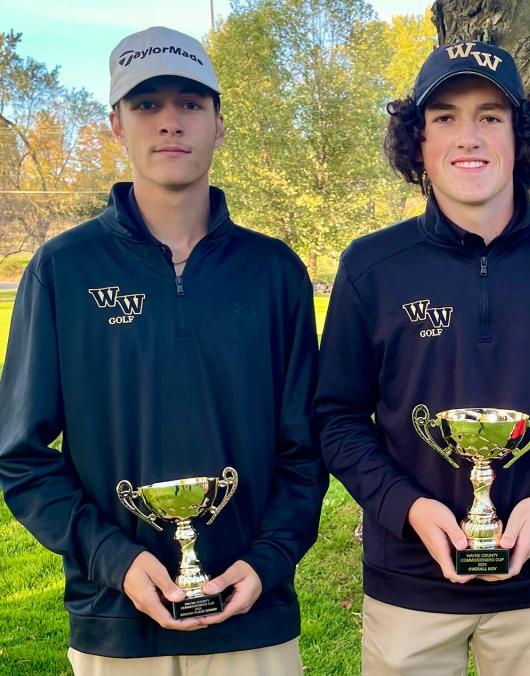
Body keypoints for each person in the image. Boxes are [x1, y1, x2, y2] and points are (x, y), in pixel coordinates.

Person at [0, 26, 326, 674]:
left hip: (253, 623)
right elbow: (22, 458)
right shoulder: (62, 270)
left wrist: (266, 563)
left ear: (220, 124)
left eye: (190, 103)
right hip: (116, 628)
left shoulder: (274, 272)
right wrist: (114, 560)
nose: (170, 122)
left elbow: (307, 450)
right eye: (147, 105)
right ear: (116, 124)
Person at [315, 40, 530, 675]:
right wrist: (407, 507)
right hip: (409, 582)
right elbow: (337, 416)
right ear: (418, 142)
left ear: (521, 138)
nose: (469, 136)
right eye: (445, 117)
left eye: (491, 116)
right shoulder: (370, 267)